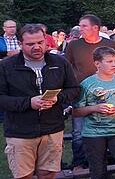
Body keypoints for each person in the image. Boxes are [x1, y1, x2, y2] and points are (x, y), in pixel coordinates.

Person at [0, 24, 80, 179]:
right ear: (20, 44)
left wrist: (58, 98)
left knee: (48, 173)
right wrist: (29, 103)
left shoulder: (60, 62)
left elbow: (74, 89)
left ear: (46, 41)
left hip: (52, 128)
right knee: (24, 175)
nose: (36, 47)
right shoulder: (6, 66)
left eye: (40, 42)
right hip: (20, 130)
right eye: (30, 44)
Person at [64, 14, 115, 171]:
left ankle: (102, 161)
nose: (80, 28)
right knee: (78, 130)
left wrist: (104, 73)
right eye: (80, 25)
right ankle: (79, 162)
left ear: (95, 28)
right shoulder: (73, 46)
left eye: (84, 26)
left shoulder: (109, 44)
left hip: (106, 92)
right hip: (81, 93)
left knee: (106, 126)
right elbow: (66, 67)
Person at [74, 46, 115, 179]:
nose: (114, 64)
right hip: (93, 134)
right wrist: (95, 108)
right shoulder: (87, 84)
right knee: (98, 171)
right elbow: (76, 112)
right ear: (97, 64)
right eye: (109, 61)